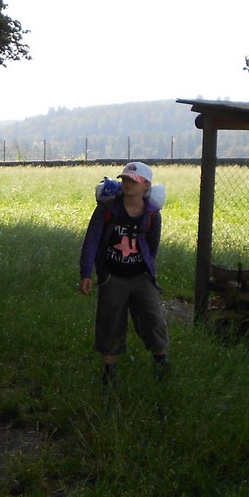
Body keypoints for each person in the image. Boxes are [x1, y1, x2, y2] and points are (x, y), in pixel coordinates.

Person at [78, 161, 168, 385]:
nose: (127, 183)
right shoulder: (108, 208)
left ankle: (161, 364)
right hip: (112, 275)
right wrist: (86, 272)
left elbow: (152, 247)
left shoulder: (152, 214)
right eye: (125, 179)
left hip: (141, 276)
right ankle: (109, 374)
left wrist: (147, 270)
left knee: (153, 319)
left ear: (146, 186)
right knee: (110, 321)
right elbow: (92, 240)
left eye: (134, 180)